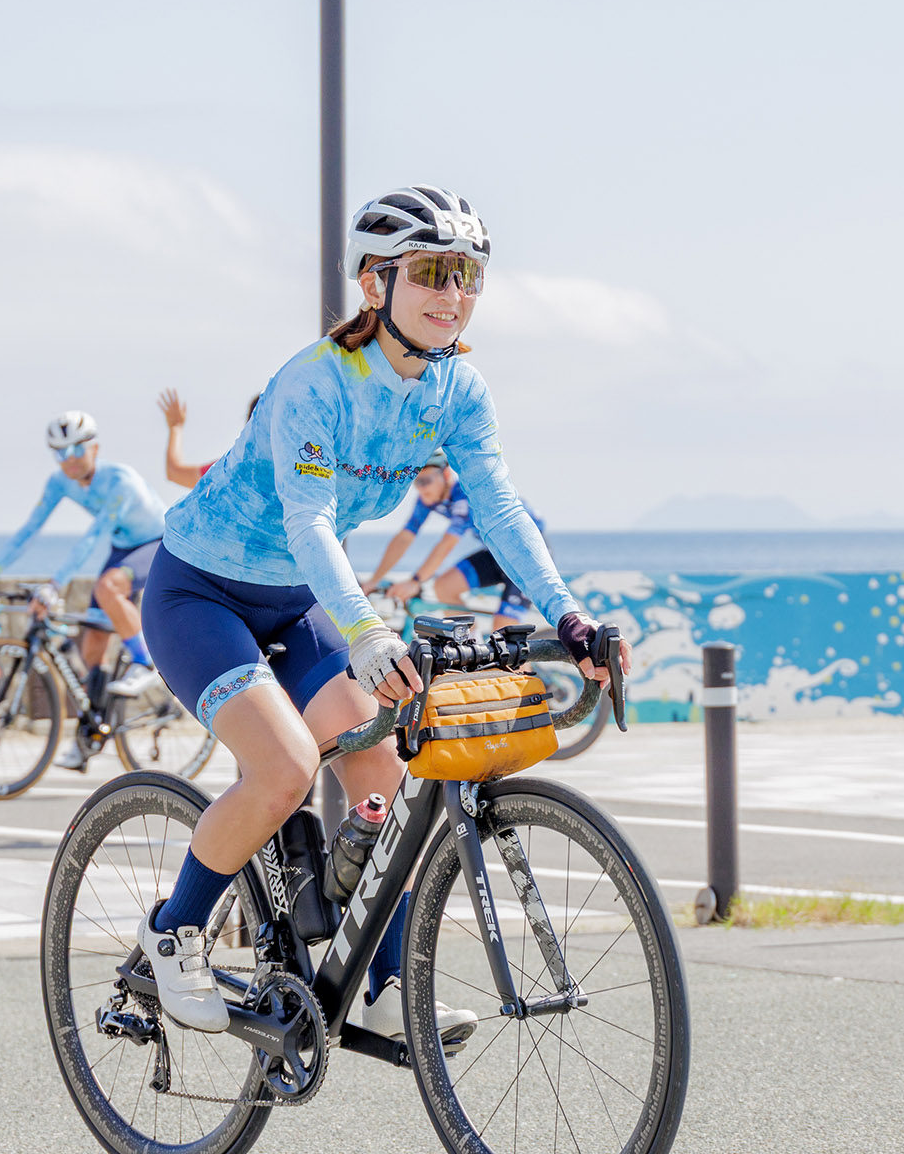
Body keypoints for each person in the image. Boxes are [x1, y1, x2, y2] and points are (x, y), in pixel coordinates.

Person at [138, 185, 630, 1041]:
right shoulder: (315, 382)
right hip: (199, 593)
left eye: (468, 275)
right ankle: (172, 934)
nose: (453, 293)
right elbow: (310, 521)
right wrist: (367, 631)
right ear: (375, 283)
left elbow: (500, 509)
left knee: (384, 774)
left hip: (297, 602)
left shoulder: (458, 390)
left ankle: (390, 982)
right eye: (433, 272)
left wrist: (570, 617)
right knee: (285, 769)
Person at [0, 411, 169, 769]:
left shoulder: (121, 483)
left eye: (77, 449)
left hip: (157, 542)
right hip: (122, 547)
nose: (69, 459)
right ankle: (91, 735)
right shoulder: (60, 482)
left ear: (95, 448)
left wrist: (55, 585)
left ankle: (145, 663)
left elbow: (92, 538)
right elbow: (30, 529)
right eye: (60, 453)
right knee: (92, 644)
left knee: (108, 587)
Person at [361, 450, 551, 631]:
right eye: (416, 482)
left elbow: (447, 543)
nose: (421, 488)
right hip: (497, 554)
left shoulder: (464, 494)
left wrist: (415, 581)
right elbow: (405, 537)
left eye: (426, 481)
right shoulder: (428, 498)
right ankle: (472, 641)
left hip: (527, 555)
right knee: (443, 586)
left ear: (445, 475)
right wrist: (374, 580)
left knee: (502, 630)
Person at [158, 389, 260, 488]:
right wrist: (176, 427)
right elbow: (174, 473)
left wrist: (176, 427)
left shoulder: (229, 469)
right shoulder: (228, 468)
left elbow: (175, 473)